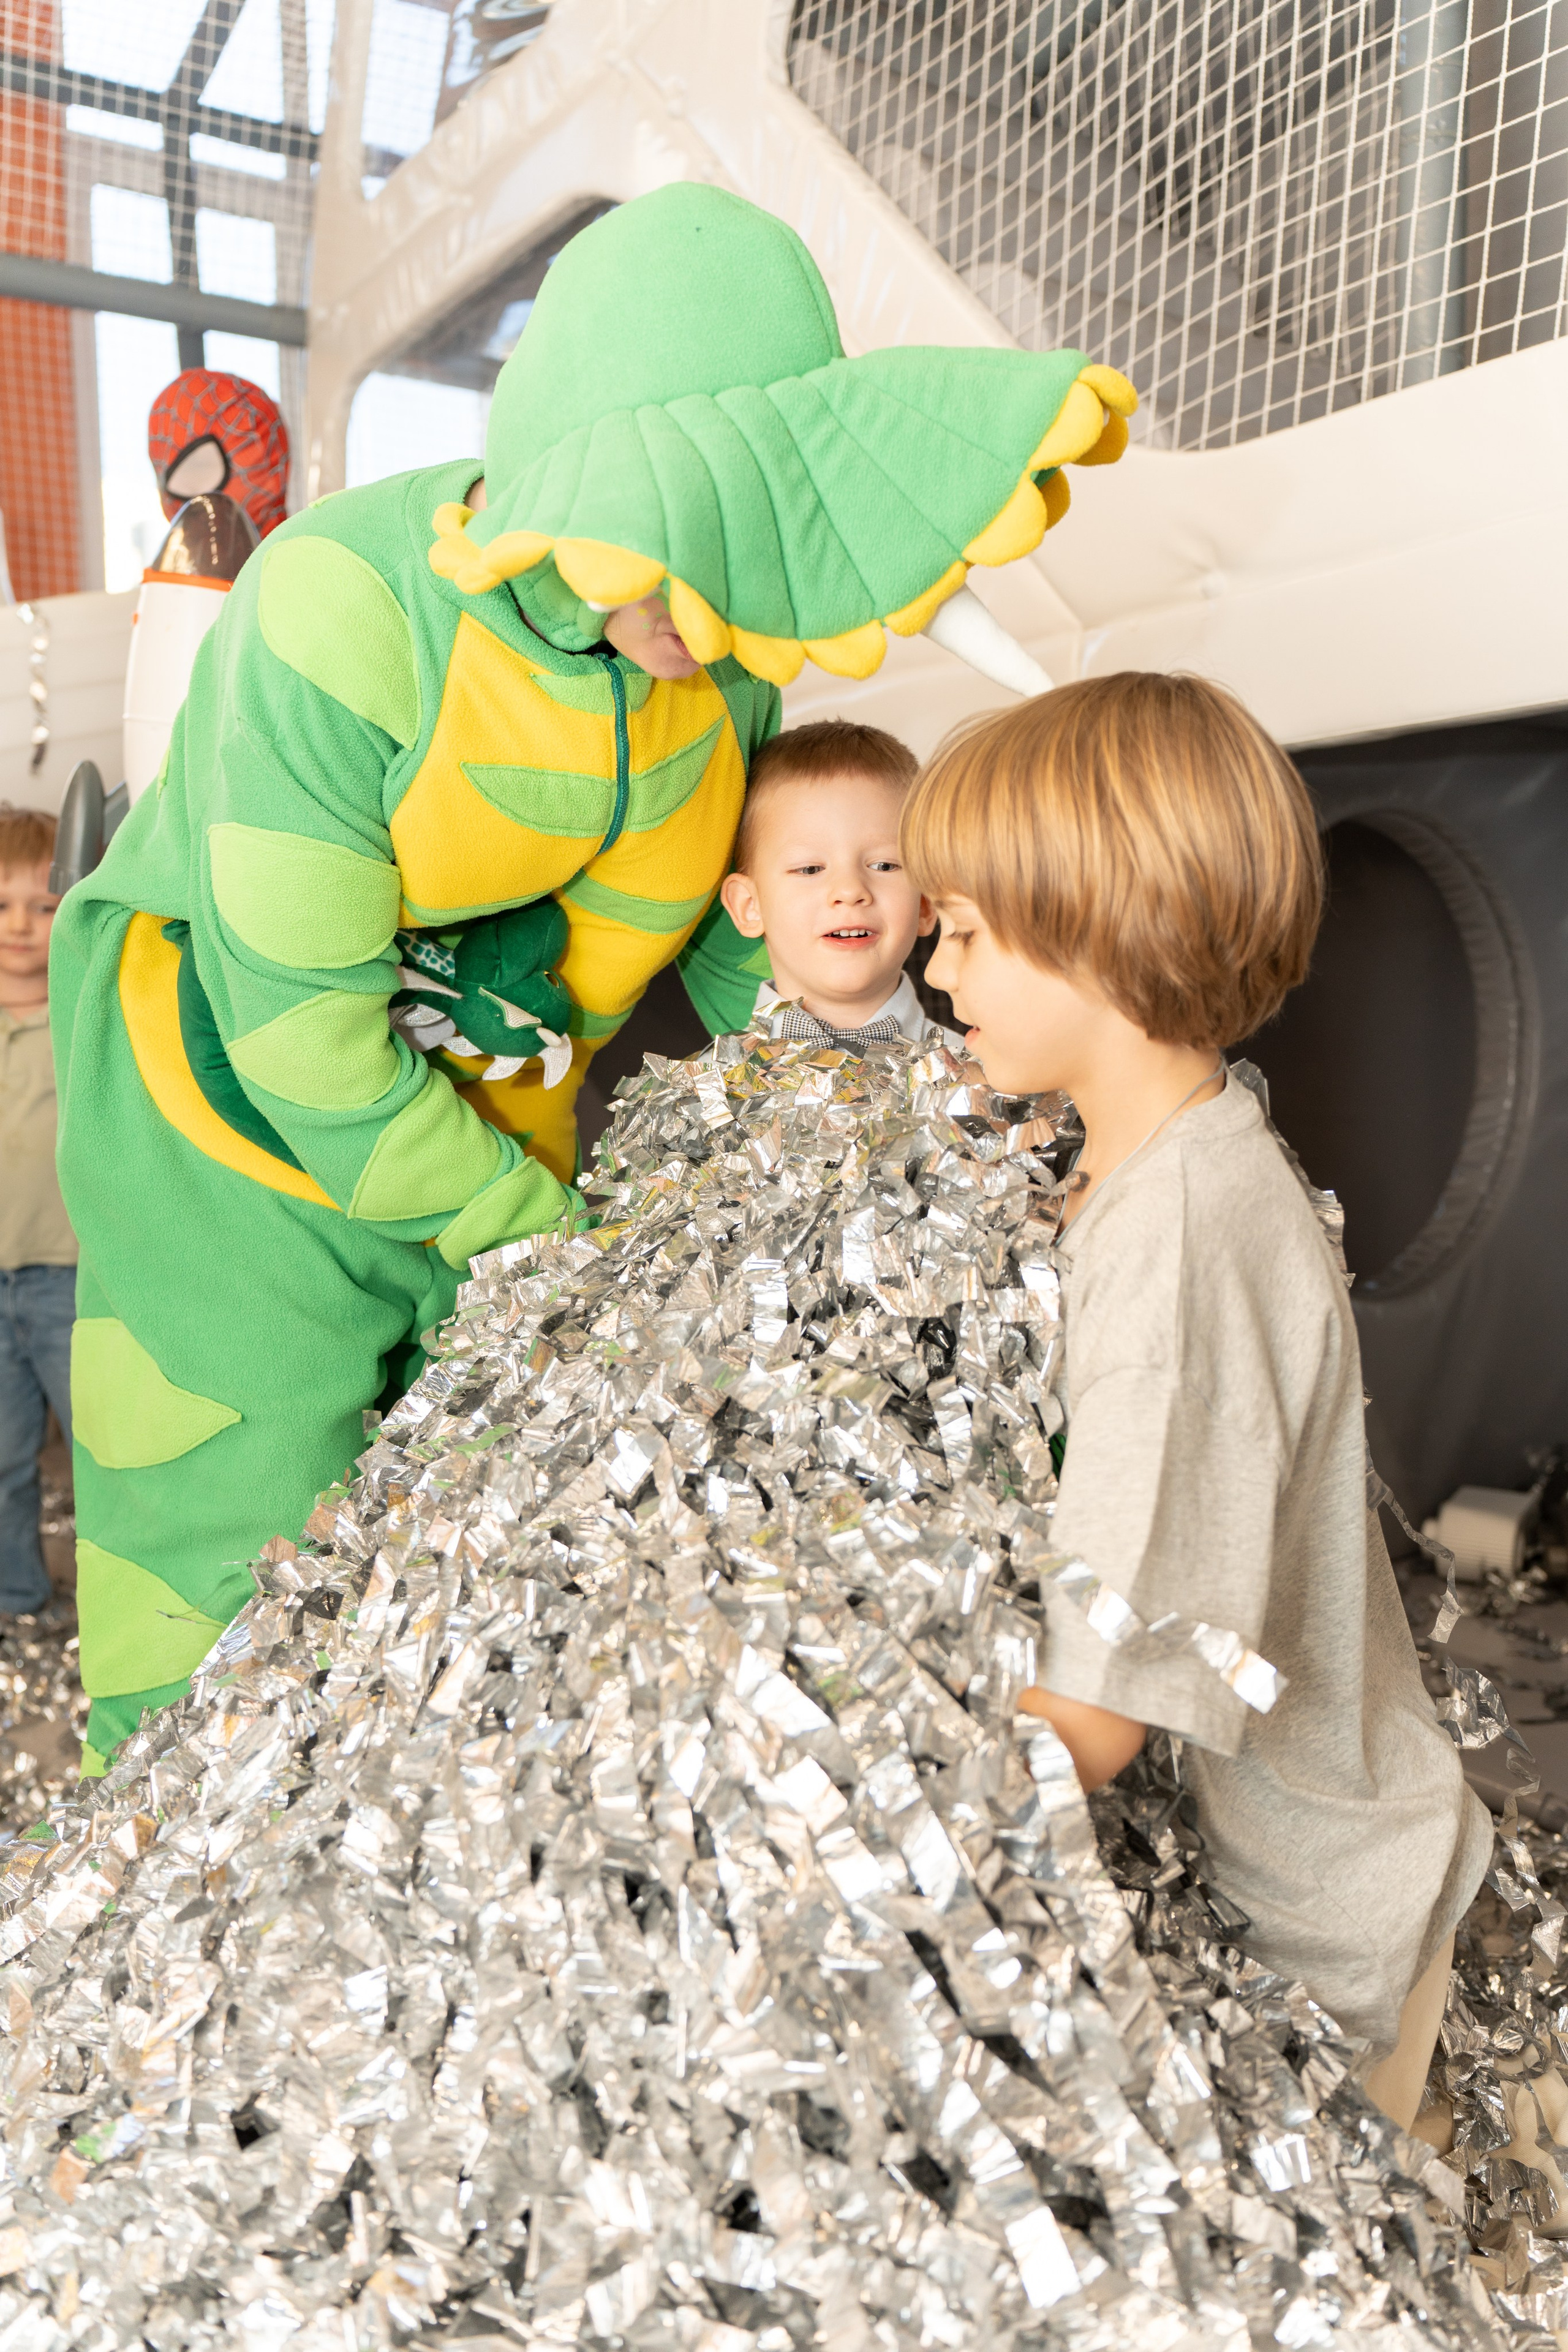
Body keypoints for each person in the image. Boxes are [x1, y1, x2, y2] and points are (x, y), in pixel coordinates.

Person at [50, 183, 1137, 1774]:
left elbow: (740, 938)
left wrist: (883, 1127)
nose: (724, 602)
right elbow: (305, 1041)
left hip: (501, 1110)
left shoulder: (722, 660)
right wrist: (547, 1245)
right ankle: (162, 1882)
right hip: (234, 1109)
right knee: (238, 1518)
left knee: (465, 1519)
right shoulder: (336, 612)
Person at [903, 672, 1491, 2132]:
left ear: (1101, 939)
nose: (936, 974)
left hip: (1310, 1921)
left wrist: (848, 1839)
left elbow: (1095, 1715)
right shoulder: (1161, 1150)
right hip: (1270, 1854)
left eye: (968, 932)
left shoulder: (1180, 1243)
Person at [720, 720, 962, 1052]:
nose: (850, 891)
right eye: (809, 869)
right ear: (750, 906)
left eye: (884, 866)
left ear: (926, 904)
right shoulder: (695, 1090)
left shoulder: (992, 1078)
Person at [0, 807, 72, 1621]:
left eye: (44, 905)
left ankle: (124, 1606)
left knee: (103, 1449)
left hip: (72, 1278)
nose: (21, 926)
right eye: (1, 906)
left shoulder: (82, 1017)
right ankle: (19, 1600)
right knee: (4, 1458)